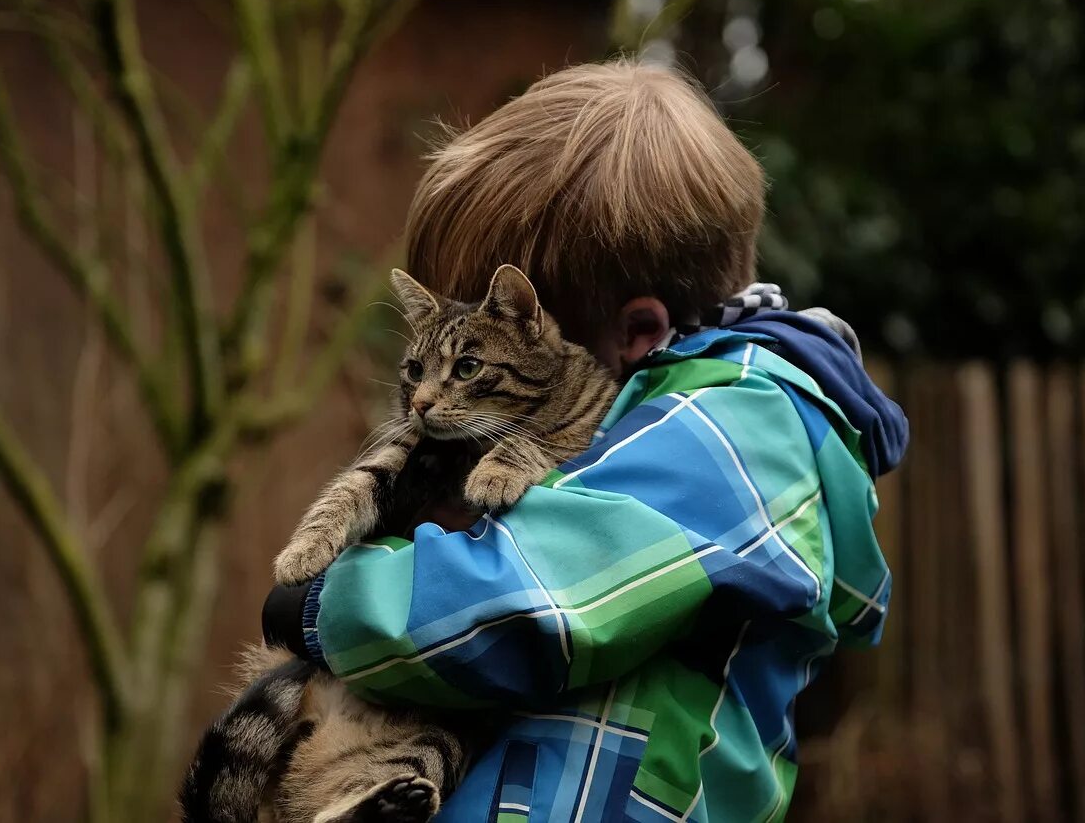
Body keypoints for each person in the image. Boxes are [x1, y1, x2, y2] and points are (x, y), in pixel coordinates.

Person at [261, 60, 908, 822]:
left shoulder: (739, 428)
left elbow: (525, 605)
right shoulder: (669, 425)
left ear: (638, 332)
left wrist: (318, 608)